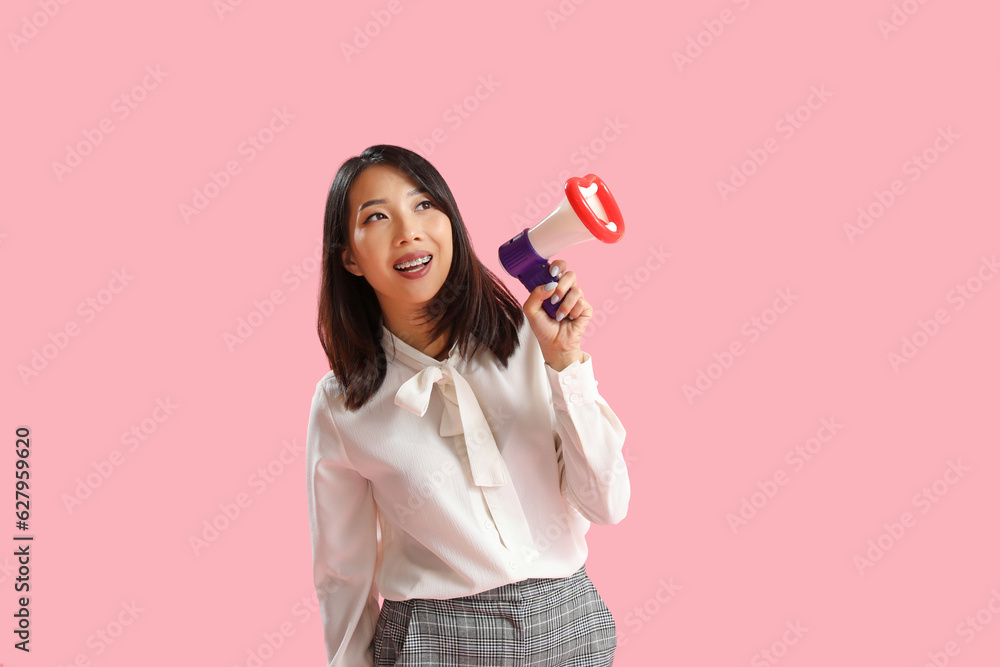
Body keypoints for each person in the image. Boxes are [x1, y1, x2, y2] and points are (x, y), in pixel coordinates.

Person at [306, 144, 630, 666]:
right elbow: (342, 572)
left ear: (451, 223)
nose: (408, 230)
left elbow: (606, 503)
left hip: (571, 624)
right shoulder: (342, 403)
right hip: (435, 641)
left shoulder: (534, 339)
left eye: (424, 205)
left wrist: (565, 364)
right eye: (378, 217)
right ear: (349, 256)